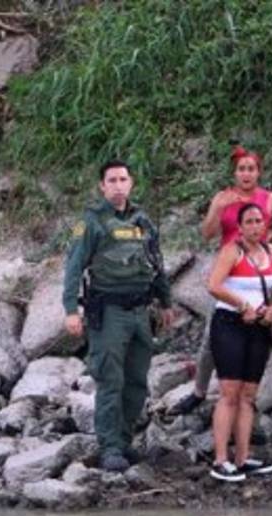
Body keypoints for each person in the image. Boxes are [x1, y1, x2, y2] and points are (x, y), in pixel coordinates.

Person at [174, 146, 272, 415]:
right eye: (241, 169)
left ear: (258, 172)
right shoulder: (223, 197)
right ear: (234, 173)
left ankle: (248, 396)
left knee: (257, 331)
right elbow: (207, 234)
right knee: (210, 339)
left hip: (258, 271)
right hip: (228, 271)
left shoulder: (268, 198)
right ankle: (200, 392)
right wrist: (216, 208)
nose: (246, 174)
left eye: (251, 169)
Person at [63, 159, 174, 472]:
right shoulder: (89, 222)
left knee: (137, 381)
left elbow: (157, 262)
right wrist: (71, 310)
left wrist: (166, 302)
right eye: (111, 180)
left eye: (122, 179)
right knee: (110, 379)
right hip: (108, 313)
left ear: (131, 183)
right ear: (102, 186)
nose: (117, 185)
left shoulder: (143, 221)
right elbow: (73, 267)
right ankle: (110, 446)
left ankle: (124, 442)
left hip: (141, 312)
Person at [205, 203, 272, 481]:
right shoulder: (232, 251)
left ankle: (243, 458)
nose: (256, 226)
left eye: (260, 221)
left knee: (248, 395)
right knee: (229, 392)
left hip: (258, 327)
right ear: (240, 226)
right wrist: (242, 304)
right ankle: (221, 460)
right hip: (229, 325)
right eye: (250, 222)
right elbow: (214, 285)